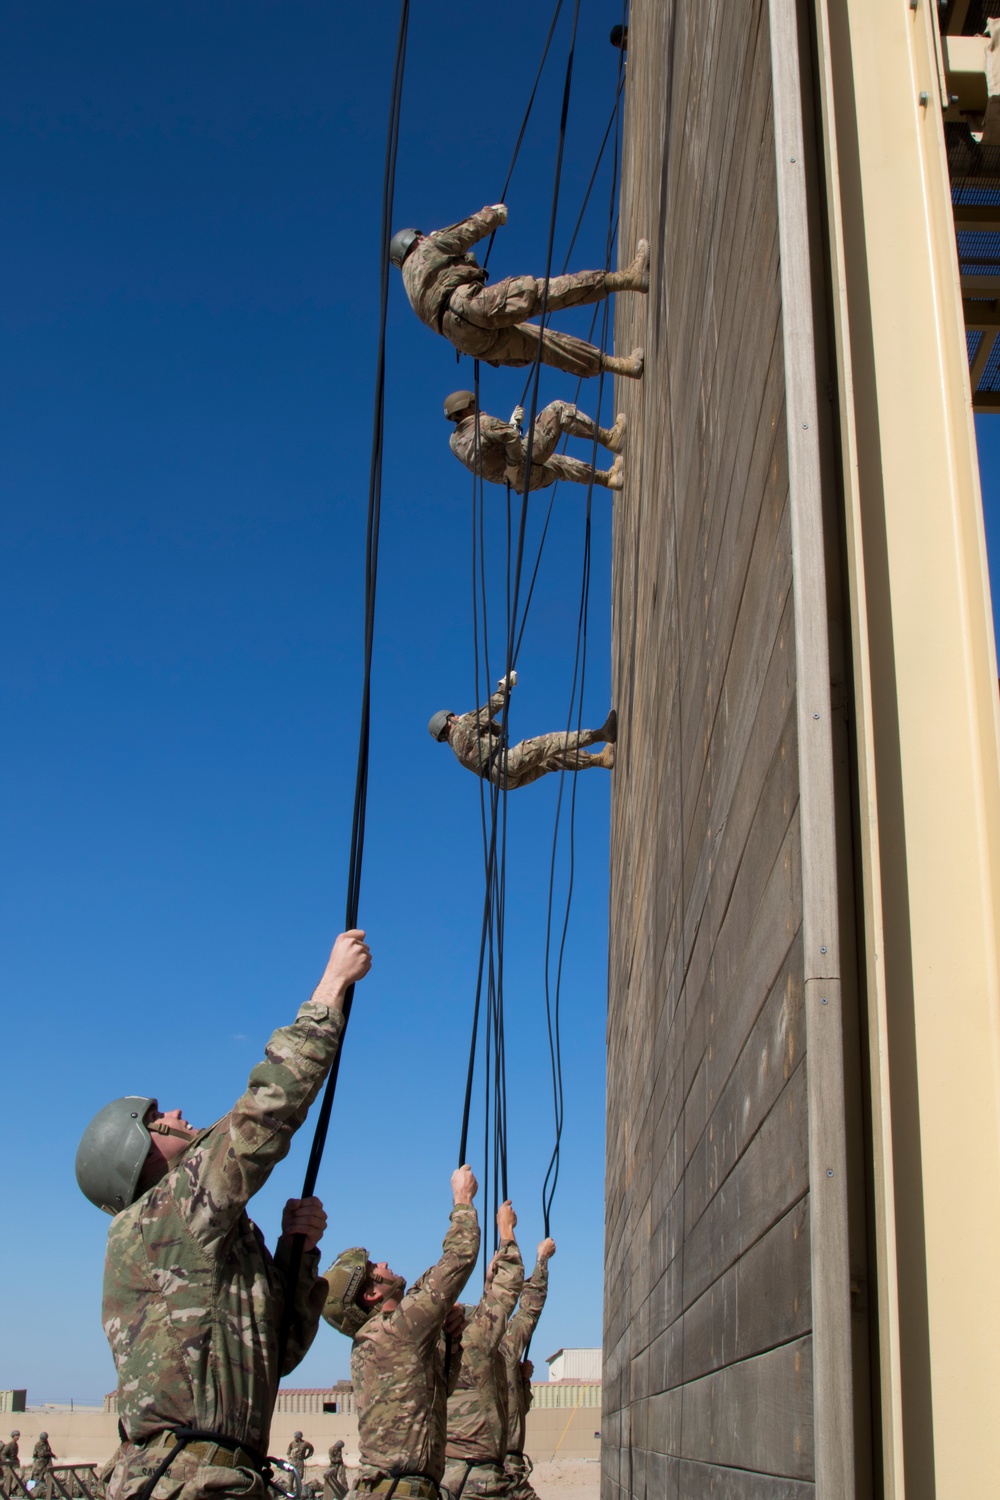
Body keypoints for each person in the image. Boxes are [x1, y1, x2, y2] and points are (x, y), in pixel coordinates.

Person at [74, 929, 373, 1500]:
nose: (178, 1112)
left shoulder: (198, 1239)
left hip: (214, 1477)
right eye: (159, 1118)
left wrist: (297, 1254)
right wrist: (331, 987)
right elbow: (262, 1117)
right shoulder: (164, 1213)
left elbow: (275, 1356)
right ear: (138, 1158)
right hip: (192, 1481)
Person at [320, 1165, 481, 1500]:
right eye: (375, 1266)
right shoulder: (397, 1331)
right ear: (370, 1294)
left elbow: (438, 1388)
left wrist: (448, 1337)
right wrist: (462, 1199)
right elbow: (457, 1260)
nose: (385, 1263)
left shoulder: (379, 1339)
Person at [390, 204, 647, 380]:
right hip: (471, 304)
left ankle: (623, 367)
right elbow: (464, 231)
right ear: (415, 239)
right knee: (543, 293)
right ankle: (627, 279)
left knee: (545, 347)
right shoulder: (426, 248)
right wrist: (494, 214)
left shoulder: (410, 290)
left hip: (467, 340)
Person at [442, 1203, 524, 1500]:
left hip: (449, 1476)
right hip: (479, 1481)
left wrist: (489, 1282)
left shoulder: (417, 1346)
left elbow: (485, 1316)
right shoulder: (473, 1343)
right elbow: (507, 1294)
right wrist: (506, 1231)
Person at [428, 675, 617, 788]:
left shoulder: (457, 751)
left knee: (550, 760)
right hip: (504, 762)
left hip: (504, 782)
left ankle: (600, 760)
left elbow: (495, 730)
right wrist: (505, 686)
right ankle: (601, 734)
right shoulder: (463, 726)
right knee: (550, 743)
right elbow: (491, 708)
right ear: (449, 720)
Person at [443, 393, 625, 493]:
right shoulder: (481, 423)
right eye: (474, 404)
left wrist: (513, 426)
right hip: (521, 462)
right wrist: (512, 429)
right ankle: (610, 439)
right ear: (466, 407)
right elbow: (511, 438)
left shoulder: (455, 442)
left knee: (559, 465)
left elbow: (490, 452)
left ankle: (609, 480)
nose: (478, 407)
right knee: (558, 409)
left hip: (519, 482)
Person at [499, 1239, 555, 1500]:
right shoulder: (502, 1349)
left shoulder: (449, 1361)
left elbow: (517, 1408)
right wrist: (541, 1261)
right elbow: (529, 1309)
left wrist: (520, 1382)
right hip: (505, 1473)